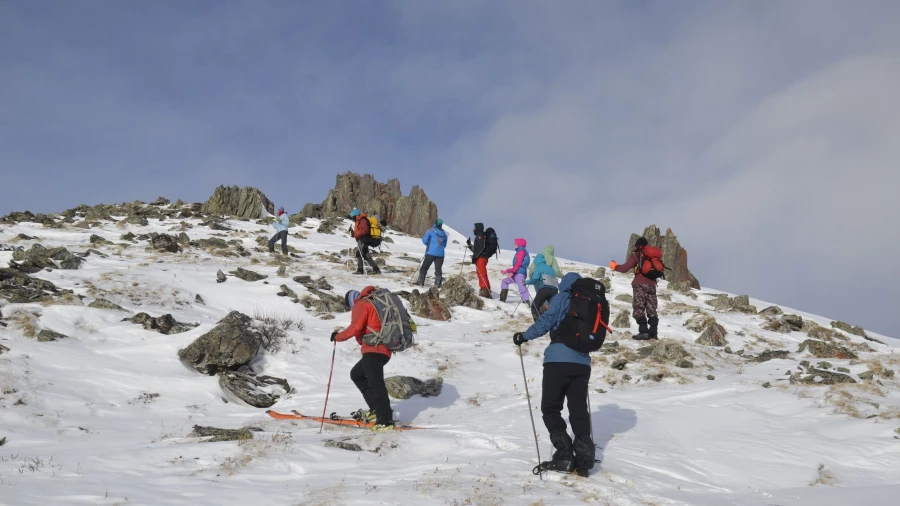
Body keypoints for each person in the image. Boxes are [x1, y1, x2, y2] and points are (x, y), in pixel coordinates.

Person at [512, 273, 597, 476]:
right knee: (578, 409)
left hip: (558, 361)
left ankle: (565, 455)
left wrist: (523, 336)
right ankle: (584, 462)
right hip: (583, 364)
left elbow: (546, 322)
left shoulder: (563, 298)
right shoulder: (591, 302)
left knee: (550, 408)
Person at [332, 288, 394, 428]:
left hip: (374, 349)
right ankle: (375, 409)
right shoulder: (374, 303)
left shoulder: (361, 304)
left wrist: (337, 337)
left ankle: (385, 420)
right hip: (383, 349)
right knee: (356, 374)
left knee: (376, 383)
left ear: (351, 300)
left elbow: (355, 327)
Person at [610, 237, 658, 340]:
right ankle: (653, 333)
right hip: (652, 285)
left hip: (640, 284)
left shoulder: (637, 255)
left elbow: (624, 268)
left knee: (639, 308)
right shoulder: (652, 256)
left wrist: (615, 266)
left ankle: (644, 331)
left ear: (637, 245)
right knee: (652, 309)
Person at [466, 223, 497, 298]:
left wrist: (475, 257)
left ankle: (484, 290)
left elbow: (481, 248)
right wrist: (470, 245)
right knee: (481, 273)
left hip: (481, 258)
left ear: (478, 228)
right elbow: (477, 250)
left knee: (482, 274)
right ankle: (487, 291)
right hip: (482, 257)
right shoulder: (480, 236)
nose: (473, 229)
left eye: (474, 227)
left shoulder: (480, 236)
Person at [525, 253, 559, 321]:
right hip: (555, 290)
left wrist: (525, 282)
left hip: (544, 289)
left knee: (534, 307)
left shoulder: (539, 267)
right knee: (553, 309)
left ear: (536, 260)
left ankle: (538, 325)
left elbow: (534, 280)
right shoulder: (550, 268)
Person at [416, 218, 447, 287]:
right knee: (438, 269)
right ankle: (438, 284)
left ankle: (420, 282)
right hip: (441, 254)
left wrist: (430, 245)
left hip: (430, 252)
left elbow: (424, 240)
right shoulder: (444, 234)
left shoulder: (431, 231)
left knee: (424, 267)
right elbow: (444, 245)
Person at [350, 208, 381, 275]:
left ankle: (360, 270)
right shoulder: (359, 220)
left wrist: (355, 234)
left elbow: (364, 231)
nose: (352, 218)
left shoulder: (362, 220)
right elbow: (359, 231)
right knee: (365, 254)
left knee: (359, 253)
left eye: (352, 217)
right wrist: (353, 234)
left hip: (364, 240)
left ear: (355, 216)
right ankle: (376, 269)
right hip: (363, 240)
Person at [500, 238, 531, 304]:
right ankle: (502, 300)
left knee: (522, 287)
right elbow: (517, 265)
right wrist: (507, 271)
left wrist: (512, 272)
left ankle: (526, 303)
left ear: (519, 244)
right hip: (516, 273)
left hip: (519, 273)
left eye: (515, 243)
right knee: (505, 281)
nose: (514, 244)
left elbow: (518, 263)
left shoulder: (521, 251)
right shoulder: (520, 251)